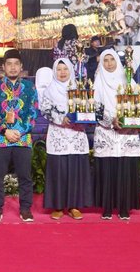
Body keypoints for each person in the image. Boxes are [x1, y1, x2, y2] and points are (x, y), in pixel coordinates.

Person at [0, 49, 38, 222]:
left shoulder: (30, 87)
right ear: (3, 67)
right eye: (9, 64)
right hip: (0, 139)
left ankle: (25, 209)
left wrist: (20, 132)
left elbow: (33, 111)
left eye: (16, 64)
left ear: (21, 66)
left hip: (23, 139)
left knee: (25, 176)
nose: (13, 67)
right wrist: (5, 131)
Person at [40, 58, 93, 220]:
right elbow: (45, 110)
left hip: (77, 136)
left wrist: (87, 118)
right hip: (58, 136)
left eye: (65, 69)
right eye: (59, 69)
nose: (62, 73)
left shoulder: (80, 89)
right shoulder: (49, 90)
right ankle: (57, 206)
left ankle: (74, 205)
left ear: (71, 71)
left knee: (75, 170)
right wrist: (60, 118)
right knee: (59, 171)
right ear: (54, 71)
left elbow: (89, 108)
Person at [93, 49, 140, 220]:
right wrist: (110, 121)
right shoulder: (97, 82)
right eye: (105, 60)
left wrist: (131, 120)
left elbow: (137, 104)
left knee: (125, 169)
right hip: (106, 132)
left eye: (112, 59)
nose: (109, 63)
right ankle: (107, 207)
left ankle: (124, 208)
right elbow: (95, 109)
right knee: (108, 170)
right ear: (101, 63)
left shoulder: (130, 81)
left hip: (126, 133)